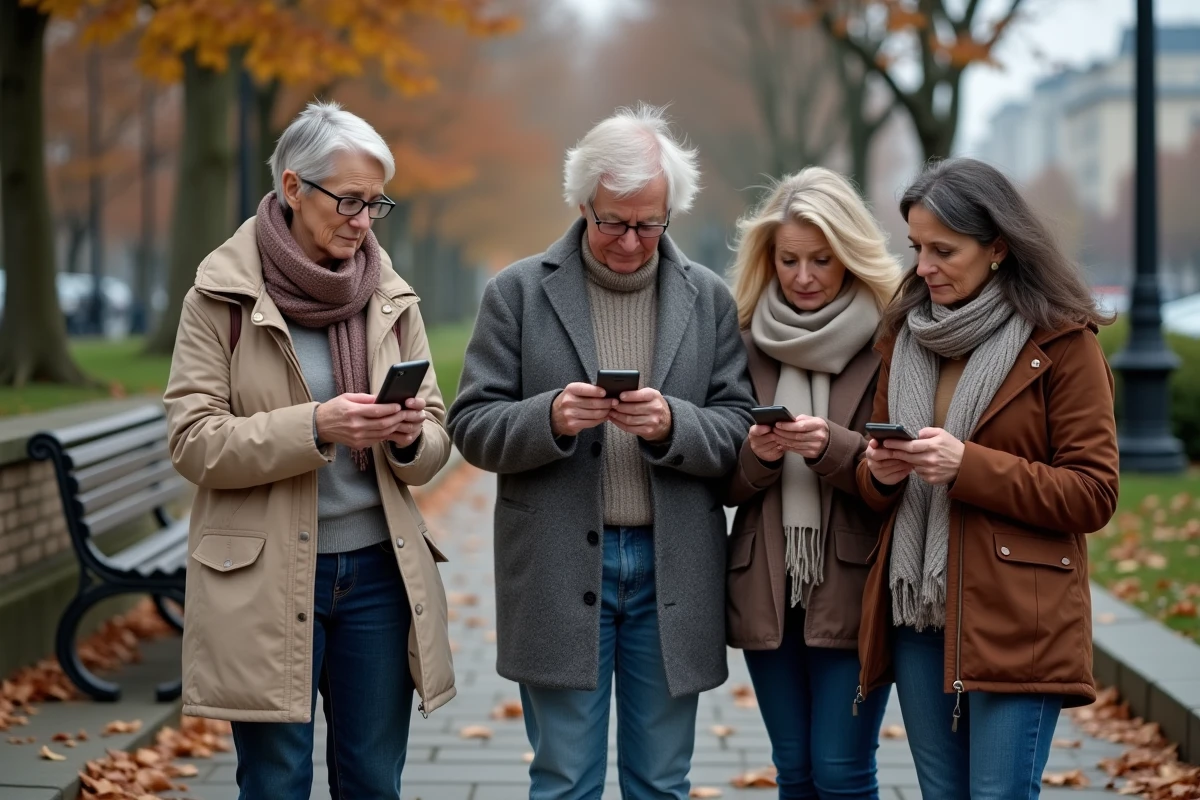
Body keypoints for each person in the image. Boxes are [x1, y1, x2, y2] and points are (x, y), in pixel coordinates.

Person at [446, 104, 754, 800]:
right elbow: (470, 424)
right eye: (613, 222)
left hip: (673, 567)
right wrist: (550, 417)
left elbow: (738, 428)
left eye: (650, 224)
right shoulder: (517, 293)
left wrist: (672, 425)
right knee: (564, 781)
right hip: (556, 563)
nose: (631, 241)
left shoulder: (708, 299)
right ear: (583, 202)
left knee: (662, 781)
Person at [163, 101, 454, 799]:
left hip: (379, 573)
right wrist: (317, 426)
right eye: (349, 200)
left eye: (376, 204)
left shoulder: (390, 295)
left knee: (372, 781)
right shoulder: (221, 296)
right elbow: (193, 442)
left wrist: (410, 436)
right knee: (275, 783)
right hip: (262, 575)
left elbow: (436, 437)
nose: (363, 220)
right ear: (293, 187)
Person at [855, 157, 1119, 799]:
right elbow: (874, 488)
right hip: (918, 612)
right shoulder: (905, 336)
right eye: (917, 248)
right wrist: (880, 473)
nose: (923, 267)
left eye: (944, 250)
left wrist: (967, 466)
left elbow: (1093, 493)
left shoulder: (1062, 340)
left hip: (1017, 618)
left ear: (997, 246)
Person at [723, 167, 901, 799]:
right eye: (789, 260)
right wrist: (757, 457)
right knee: (795, 770)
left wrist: (833, 448)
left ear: (850, 256)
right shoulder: (741, 339)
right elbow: (721, 484)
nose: (803, 277)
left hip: (855, 583)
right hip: (766, 584)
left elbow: (901, 477)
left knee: (842, 772)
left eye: (822, 260)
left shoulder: (891, 343)